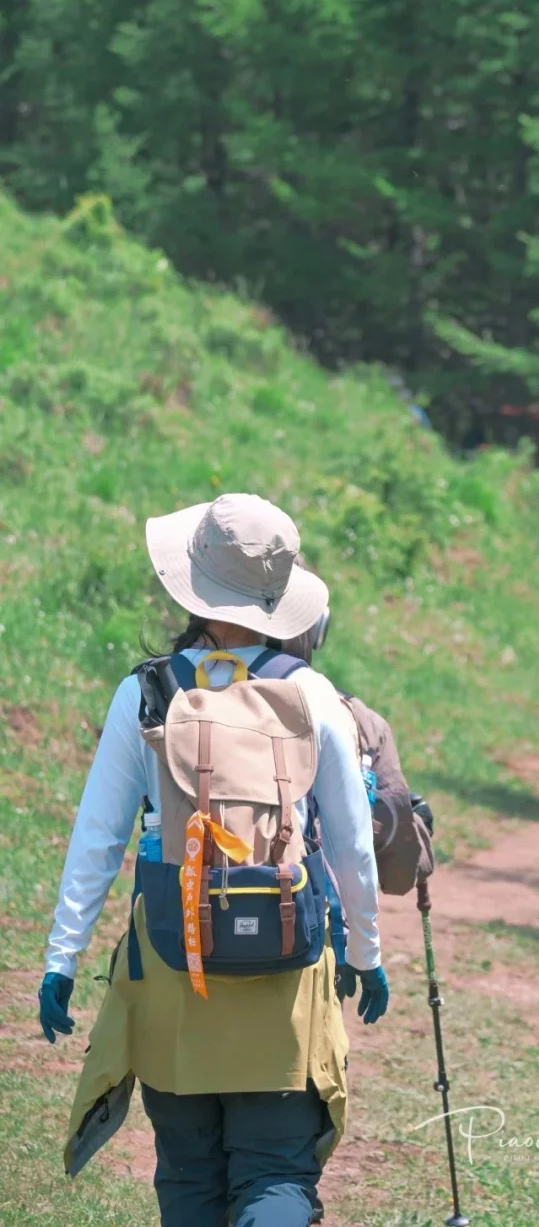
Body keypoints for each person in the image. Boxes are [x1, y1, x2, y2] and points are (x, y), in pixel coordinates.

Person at [38, 492, 388, 1227]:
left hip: (173, 958)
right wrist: (365, 950)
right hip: (285, 962)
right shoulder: (313, 694)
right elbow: (354, 845)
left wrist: (61, 960)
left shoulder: (147, 691)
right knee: (275, 1174)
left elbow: (98, 837)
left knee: (190, 1176)